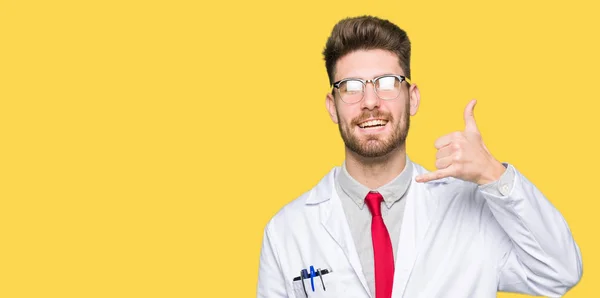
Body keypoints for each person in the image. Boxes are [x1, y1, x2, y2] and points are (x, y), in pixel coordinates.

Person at [256, 15, 582, 298]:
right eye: (351, 87)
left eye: (387, 83)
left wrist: (495, 176)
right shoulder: (288, 230)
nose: (370, 101)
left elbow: (559, 272)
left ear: (412, 99)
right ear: (332, 105)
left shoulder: (471, 213)